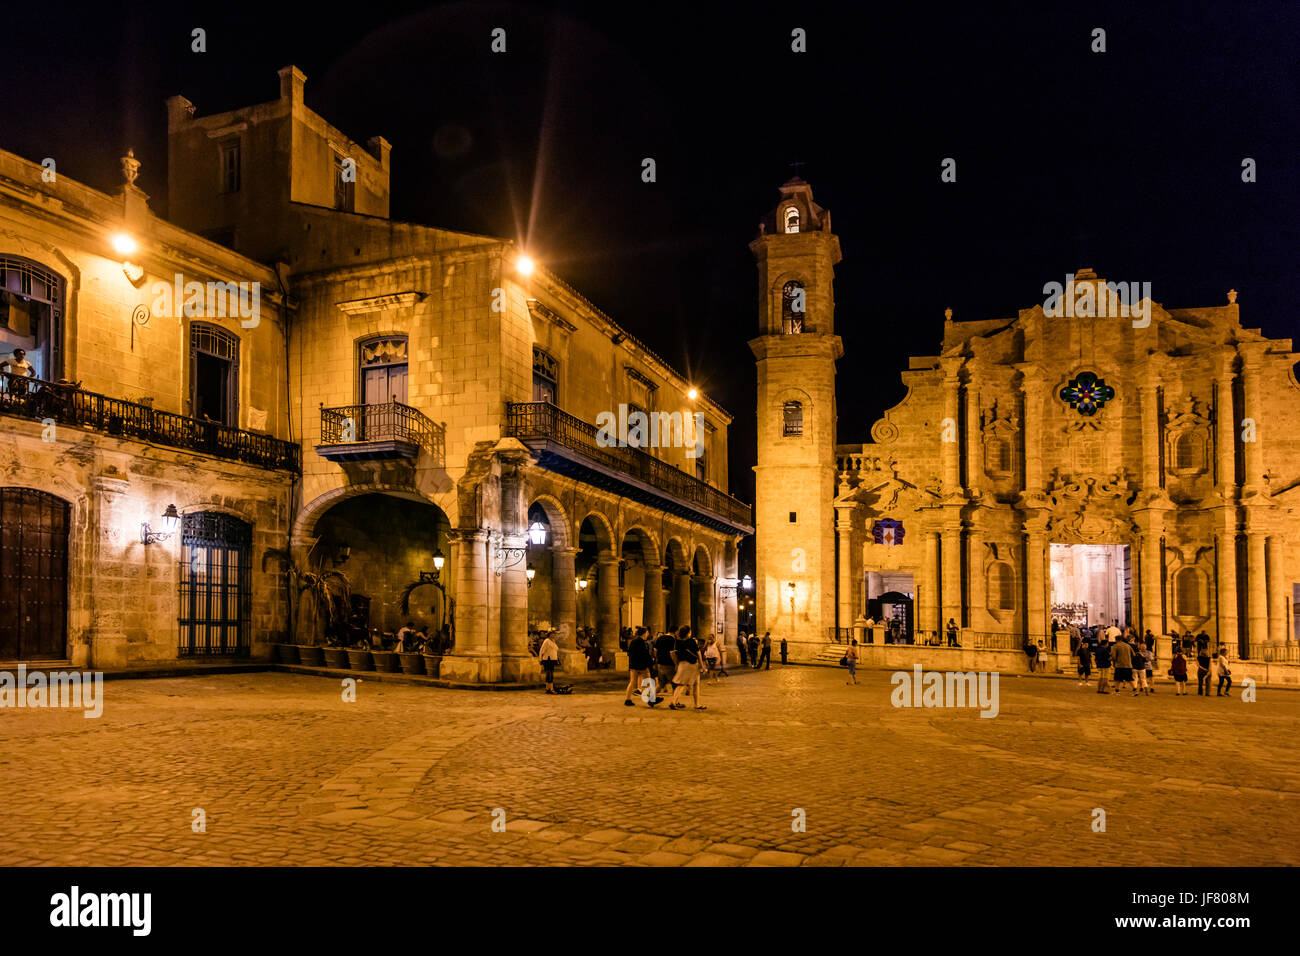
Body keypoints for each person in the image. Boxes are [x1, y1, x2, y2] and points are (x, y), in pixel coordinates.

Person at [669, 625, 705, 711]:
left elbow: (673, 653)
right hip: (692, 665)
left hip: (682, 664)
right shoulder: (691, 641)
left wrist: (676, 664)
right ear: (688, 633)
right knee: (683, 684)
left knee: (695, 684)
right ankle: (673, 702)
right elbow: (698, 653)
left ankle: (697, 704)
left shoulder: (677, 642)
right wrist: (702, 665)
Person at [625, 626, 658, 706]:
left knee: (632, 682)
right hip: (642, 665)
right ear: (644, 633)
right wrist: (651, 663)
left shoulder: (633, 641)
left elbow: (630, 653)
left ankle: (627, 699)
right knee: (649, 681)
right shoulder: (642, 642)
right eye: (647, 632)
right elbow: (645, 655)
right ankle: (651, 699)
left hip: (633, 665)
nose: (648, 634)